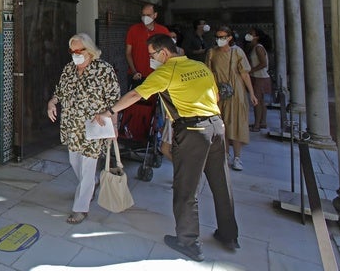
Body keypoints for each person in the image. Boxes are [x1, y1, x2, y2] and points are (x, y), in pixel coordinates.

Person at [95, 34, 239, 262]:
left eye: (152, 55)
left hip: (193, 132)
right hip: (216, 127)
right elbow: (216, 96)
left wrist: (109, 112)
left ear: (164, 53)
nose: (151, 59)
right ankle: (229, 235)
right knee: (221, 183)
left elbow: (135, 94)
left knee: (186, 189)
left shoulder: (165, 72)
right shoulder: (199, 66)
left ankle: (188, 242)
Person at [47, 33, 120, 225]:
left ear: (90, 51)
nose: (75, 55)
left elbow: (114, 100)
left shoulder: (104, 70)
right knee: (75, 162)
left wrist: (115, 125)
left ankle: (81, 208)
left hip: (95, 126)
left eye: (79, 51)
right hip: (71, 126)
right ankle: (90, 184)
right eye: (72, 51)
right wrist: (52, 103)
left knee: (87, 168)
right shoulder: (69, 69)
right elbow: (59, 92)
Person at [206, 26, 257, 172]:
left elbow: (245, 74)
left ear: (229, 38)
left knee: (236, 123)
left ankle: (237, 157)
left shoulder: (237, 52)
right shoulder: (212, 52)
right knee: (221, 124)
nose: (219, 40)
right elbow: (208, 74)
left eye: (223, 37)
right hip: (218, 91)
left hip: (236, 91)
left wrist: (251, 93)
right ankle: (225, 154)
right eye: (218, 37)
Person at [125, 3, 169, 89]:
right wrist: (134, 71)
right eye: (143, 15)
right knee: (136, 101)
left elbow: (168, 54)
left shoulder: (163, 31)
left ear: (155, 15)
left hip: (157, 76)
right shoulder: (133, 30)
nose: (145, 17)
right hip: (137, 76)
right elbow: (128, 53)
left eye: (148, 15)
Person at [245, 28, 272, 132]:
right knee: (260, 101)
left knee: (256, 101)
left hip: (260, 77)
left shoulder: (258, 48)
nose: (249, 35)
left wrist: (251, 70)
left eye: (251, 34)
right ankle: (262, 122)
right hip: (259, 76)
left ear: (257, 37)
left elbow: (263, 63)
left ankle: (257, 124)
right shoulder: (255, 47)